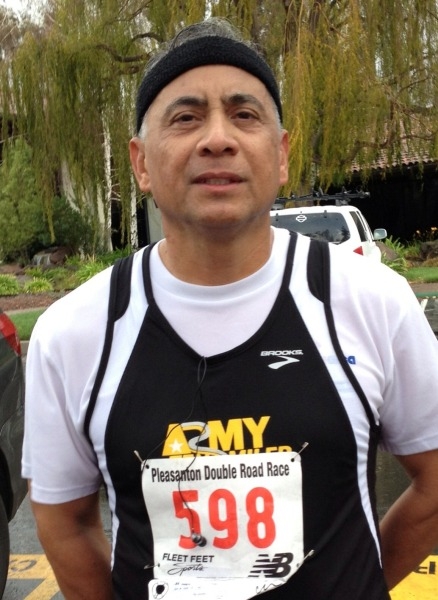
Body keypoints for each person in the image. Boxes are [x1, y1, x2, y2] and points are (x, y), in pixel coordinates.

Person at [23, 18, 438, 600]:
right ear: (141, 163)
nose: (217, 139)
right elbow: (63, 521)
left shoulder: (374, 302)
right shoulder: (72, 333)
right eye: (185, 118)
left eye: (244, 114)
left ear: (282, 154)